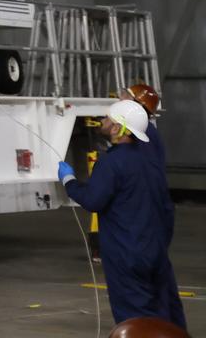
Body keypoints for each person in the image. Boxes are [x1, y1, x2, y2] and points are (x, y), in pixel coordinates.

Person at [60, 99, 184, 329]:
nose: (103, 121)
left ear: (118, 129)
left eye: (108, 119)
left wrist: (69, 181)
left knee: (136, 320)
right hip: (155, 252)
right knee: (166, 315)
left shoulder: (111, 162)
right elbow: (167, 208)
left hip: (127, 255)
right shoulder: (150, 161)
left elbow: (93, 200)